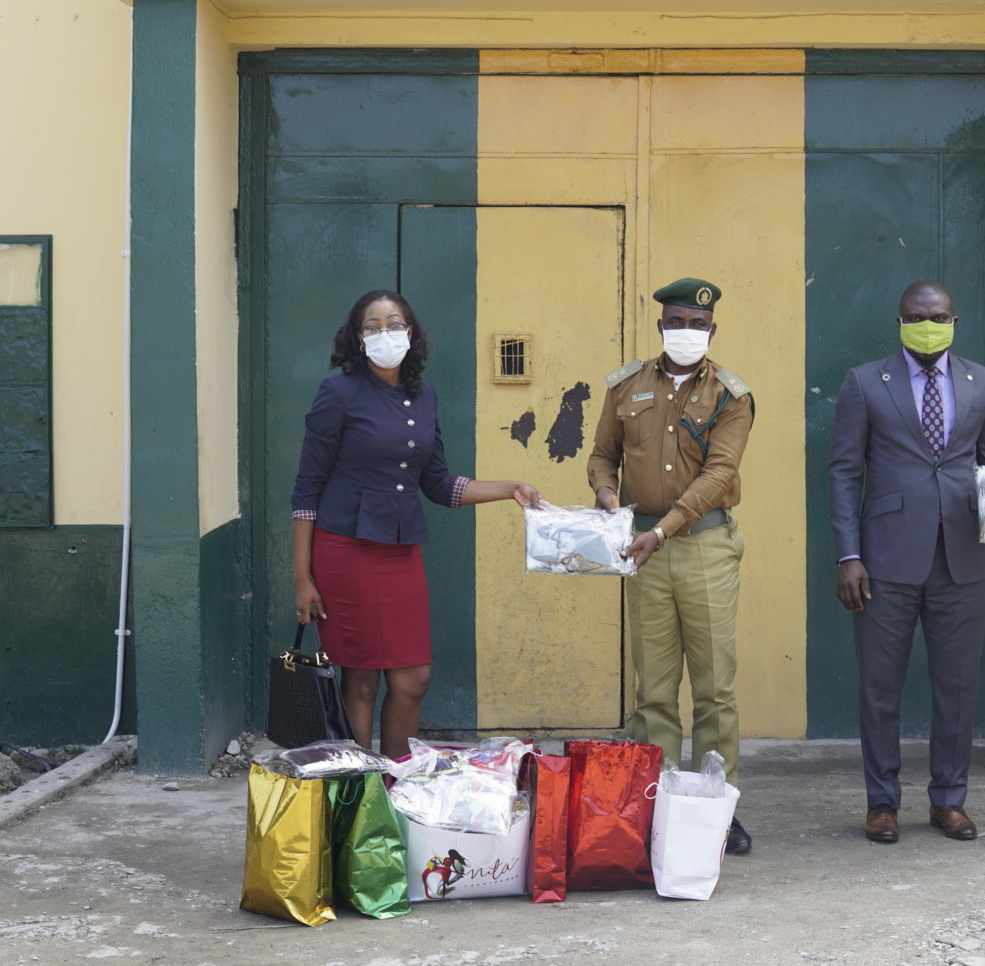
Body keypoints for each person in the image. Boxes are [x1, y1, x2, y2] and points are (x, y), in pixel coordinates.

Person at [292, 289, 541, 758]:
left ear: (410, 332)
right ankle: (359, 794)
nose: (385, 333)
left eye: (394, 323)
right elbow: (306, 491)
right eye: (372, 325)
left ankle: (397, 781)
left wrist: (509, 488)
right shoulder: (338, 392)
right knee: (361, 679)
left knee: (413, 678)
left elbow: (439, 483)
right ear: (357, 337)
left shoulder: (423, 396)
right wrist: (302, 578)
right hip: (344, 550)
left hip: (400, 550)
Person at [827, 280, 985, 844]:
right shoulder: (865, 382)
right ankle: (882, 803)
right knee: (880, 688)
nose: (926, 324)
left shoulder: (983, 382)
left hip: (961, 559)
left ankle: (949, 801)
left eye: (937, 316)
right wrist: (849, 554)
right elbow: (844, 472)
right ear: (900, 321)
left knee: (957, 687)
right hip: (883, 561)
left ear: (954, 321)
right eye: (915, 316)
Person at [586, 277, 756, 856]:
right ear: (660, 326)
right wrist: (607, 495)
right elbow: (602, 455)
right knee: (653, 691)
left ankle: (717, 811)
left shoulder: (732, 396)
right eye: (677, 322)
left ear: (713, 331)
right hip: (641, 548)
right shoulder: (626, 385)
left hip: (703, 546)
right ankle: (653, 807)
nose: (687, 332)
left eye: (698, 325)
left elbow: (720, 475)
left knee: (713, 690)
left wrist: (663, 529)